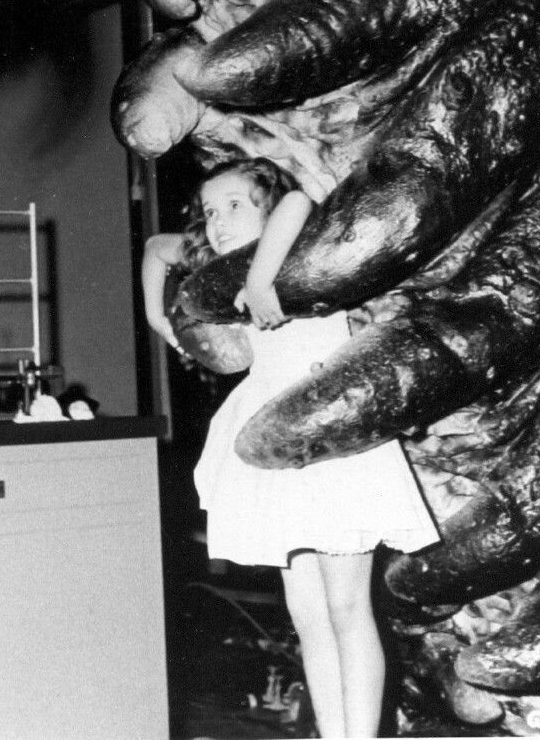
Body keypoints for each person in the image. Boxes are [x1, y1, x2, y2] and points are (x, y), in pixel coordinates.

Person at [143, 157, 440, 739]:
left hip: (330, 434)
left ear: (265, 206)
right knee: (307, 614)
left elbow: (299, 199)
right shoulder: (222, 268)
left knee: (348, 607)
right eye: (210, 211)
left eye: (236, 205)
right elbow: (156, 248)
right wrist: (158, 319)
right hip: (272, 445)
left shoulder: (304, 250)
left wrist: (260, 283)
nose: (219, 221)